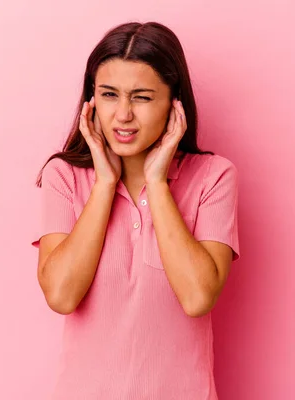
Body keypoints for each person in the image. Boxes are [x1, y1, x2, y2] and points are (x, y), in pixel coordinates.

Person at [32, 21, 240, 399]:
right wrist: (104, 185)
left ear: (174, 103)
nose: (123, 115)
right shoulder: (63, 177)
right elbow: (61, 296)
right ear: (91, 100)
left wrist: (157, 183)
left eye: (142, 97)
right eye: (109, 95)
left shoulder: (213, 177)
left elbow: (197, 298)